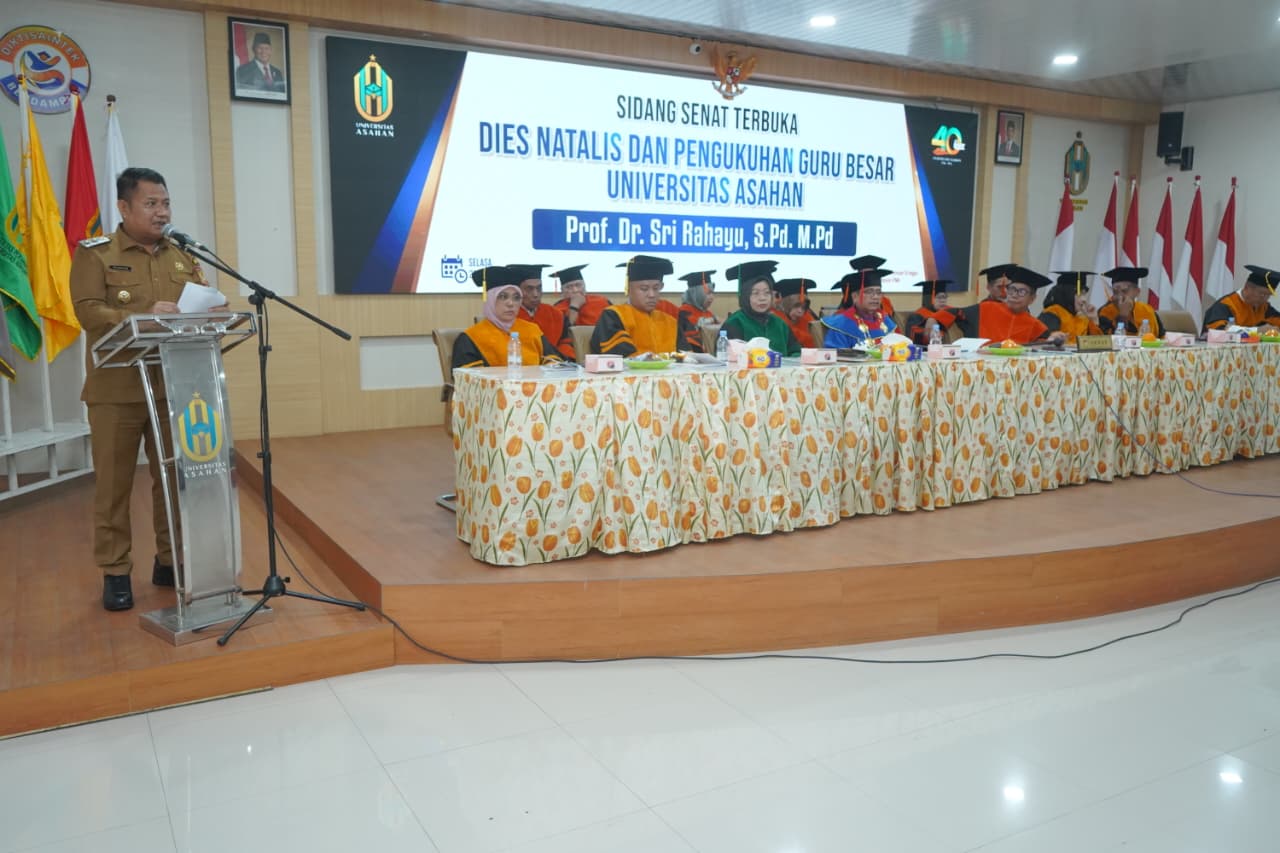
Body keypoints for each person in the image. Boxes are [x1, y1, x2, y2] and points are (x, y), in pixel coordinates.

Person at [70, 167, 225, 611]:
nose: (162, 212)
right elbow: (88, 311)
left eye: (166, 203)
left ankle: (169, 559)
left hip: (173, 386)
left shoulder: (181, 254)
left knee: (174, 480)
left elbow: (198, 299)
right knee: (114, 487)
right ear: (124, 207)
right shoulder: (96, 254)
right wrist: (141, 316)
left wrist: (213, 312)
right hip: (116, 391)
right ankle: (116, 571)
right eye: (151, 204)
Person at [452, 266, 566, 368]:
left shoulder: (533, 330)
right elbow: (468, 379)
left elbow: (553, 359)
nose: (511, 303)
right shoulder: (471, 338)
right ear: (490, 300)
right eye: (503, 297)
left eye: (516, 298)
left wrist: (550, 367)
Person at [590, 255, 682, 355]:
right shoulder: (614, 316)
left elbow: (685, 355)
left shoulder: (670, 322)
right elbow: (620, 355)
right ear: (629, 288)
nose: (652, 295)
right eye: (644, 289)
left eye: (656, 288)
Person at [955, 265, 1067, 345]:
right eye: (1012, 289)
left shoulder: (1035, 325)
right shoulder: (986, 308)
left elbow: (1043, 344)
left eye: (1022, 292)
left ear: (1032, 299)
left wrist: (1053, 339)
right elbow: (954, 313)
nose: (1014, 295)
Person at [721, 260, 800, 355]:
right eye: (755, 293)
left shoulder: (780, 324)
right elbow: (727, 359)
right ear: (745, 296)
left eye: (767, 293)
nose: (762, 298)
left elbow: (796, 352)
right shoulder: (735, 323)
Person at [822, 259, 896, 347]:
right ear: (854, 297)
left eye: (878, 292)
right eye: (869, 292)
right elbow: (834, 354)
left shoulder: (885, 320)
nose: (875, 296)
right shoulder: (840, 325)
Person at [510, 263, 574, 359]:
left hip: (555, 364)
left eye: (539, 288)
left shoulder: (556, 314)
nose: (535, 294)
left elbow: (565, 342)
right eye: (529, 289)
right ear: (517, 291)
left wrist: (562, 359)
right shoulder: (509, 316)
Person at [1202, 265, 1280, 333]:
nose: (1265, 299)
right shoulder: (1226, 305)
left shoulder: (1264, 307)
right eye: (1262, 294)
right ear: (1247, 287)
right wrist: (1257, 330)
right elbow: (1219, 330)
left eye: (1268, 295)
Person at [1039, 272, 1106, 343]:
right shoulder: (1052, 313)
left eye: (1084, 294)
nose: (1084, 299)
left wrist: (1094, 320)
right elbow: (1046, 343)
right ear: (1068, 293)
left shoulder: (1082, 319)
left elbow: (1096, 345)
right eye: (1079, 294)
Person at [1099, 267, 1164, 336]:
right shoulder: (1104, 312)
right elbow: (1106, 340)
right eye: (1115, 291)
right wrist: (1123, 316)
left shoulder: (1148, 310)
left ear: (1137, 292)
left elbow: (1162, 337)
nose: (1120, 296)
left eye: (1125, 291)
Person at [903, 279, 960, 345]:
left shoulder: (949, 312)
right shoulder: (916, 316)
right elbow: (912, 341)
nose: (943, 301)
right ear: (929, 299)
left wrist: (933, 319)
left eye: (944, 297)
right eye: (939, 297)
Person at [676, 270, 718, 352]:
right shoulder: (683, 313)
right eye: (708, 293)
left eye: (712, 293)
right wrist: (713, 320)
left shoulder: (709, 313)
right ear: (696, 293)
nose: (712, 297)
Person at [773, 278, 818, 348]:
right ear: (786, 304)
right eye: (796, 306)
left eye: (803, 307)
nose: (800, 311)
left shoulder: (807, 318)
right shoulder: (773, 319)